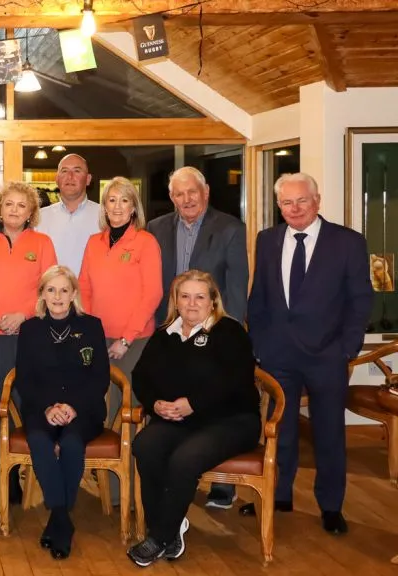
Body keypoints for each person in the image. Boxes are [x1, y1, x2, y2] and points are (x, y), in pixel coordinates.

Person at [242, 173, 373, 535]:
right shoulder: (267, 239)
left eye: (302, 200)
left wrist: (346, 348)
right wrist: (260, 345)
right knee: (279, 430)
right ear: (279, 205)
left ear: (317, 201)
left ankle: (331, 506)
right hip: (278, 355)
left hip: (327, 355)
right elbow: (259, 296)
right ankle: (279, 495)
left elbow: (361, 300)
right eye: (287, 202)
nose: (295, 208)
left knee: (329, 433)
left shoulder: (347, 242)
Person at [127, 271, 261, 567]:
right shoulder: (165, 334)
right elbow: (141, 377)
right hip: (180, 420)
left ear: (213, 301)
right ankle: (170, 527)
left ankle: (159, 537)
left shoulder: (230, 332)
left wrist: (193, 404)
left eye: (200, 296)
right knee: (145, 445)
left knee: (185, 458)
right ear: (175, 301)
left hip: (231, 420)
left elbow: (236, 382)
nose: (191, 303)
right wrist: (155, 404)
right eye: (185, 296)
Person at [147, 166, 249, 509]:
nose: (186, 199)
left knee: (215, 402)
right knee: (174, 402)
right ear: (171, 197)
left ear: (206, 192)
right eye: (179, 193)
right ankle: (173, 476)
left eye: (192, 191)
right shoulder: (156, 228)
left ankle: (222, 483)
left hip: (213, 328)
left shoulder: (230, 228)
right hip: (172, 329)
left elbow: (236, 288)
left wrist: (225, 334)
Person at [0, 181, 57, 501]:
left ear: (31, 212)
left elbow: (51, 288)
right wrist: (1, 316)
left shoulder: (43, 243)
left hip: (31, 336)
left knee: (26, 402)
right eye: (9, 204)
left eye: (22, 205)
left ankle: (17, 474)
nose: (15, 210)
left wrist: (22, 315)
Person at [14, 265, 108, 560]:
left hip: (84, 411)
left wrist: (72, 407)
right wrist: (48, 407)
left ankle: (57, 520)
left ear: (73, 294)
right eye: (51, 290)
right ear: (42, 294)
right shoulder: (30, 329)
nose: (57, 296)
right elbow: (24, 379)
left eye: (64, 290)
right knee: (40, 442)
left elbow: (100, 378)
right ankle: (62, 519)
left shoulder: (92, 326)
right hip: (41, 409)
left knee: (71, 443)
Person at [79, 177, 162, 503]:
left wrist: (126, 339)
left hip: (134, 341)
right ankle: (105, 487)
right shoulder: (93, 242)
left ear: (133, 207)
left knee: (126, 413)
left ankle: (129, 492)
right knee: (100, 409)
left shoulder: (145, 242)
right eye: (111, 200)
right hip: (99, 339)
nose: (117, 207)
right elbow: (84, 288)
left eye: (124, 200)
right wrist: (89, 332)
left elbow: (152, 294)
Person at [37, 154, 102, 277]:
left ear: (88, 179)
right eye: (64, 171)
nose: (70, 176)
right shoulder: (39, 218)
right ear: (57, 179)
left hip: (92, 289)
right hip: (50, 289)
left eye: (77, 171)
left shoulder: (104, 216)